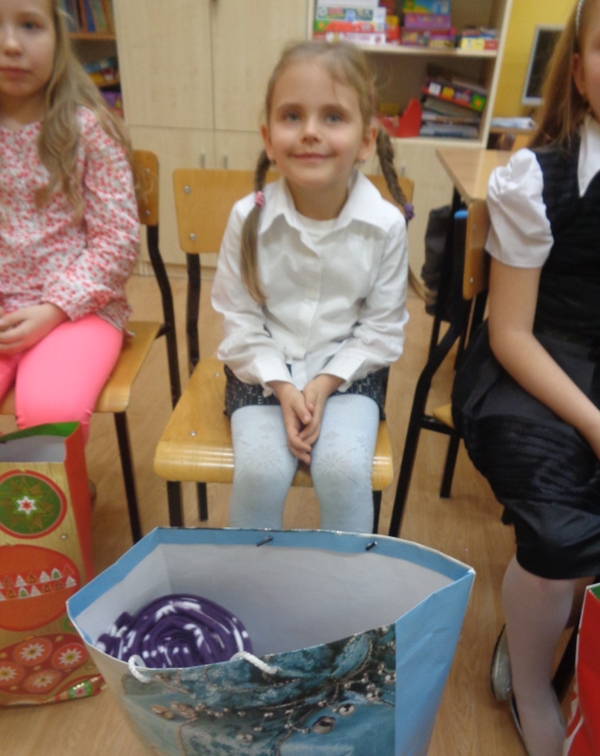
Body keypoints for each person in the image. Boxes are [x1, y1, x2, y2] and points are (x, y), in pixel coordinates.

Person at [452, 1, 600, 754]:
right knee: (559, 529)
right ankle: (536, 683)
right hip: (537, 366)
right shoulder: (536, 179)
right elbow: (510, 334)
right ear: (578, 71)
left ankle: (564, 634)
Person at [211, 40, 411, 533]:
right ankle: (252, 579)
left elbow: (381, 330)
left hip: (347, 372)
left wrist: (323, 383)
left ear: (366, 140)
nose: (310, 132)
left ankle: (342, 582)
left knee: (343, 473)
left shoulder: (386, 225)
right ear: (268, 137)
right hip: (262, 371)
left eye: (333, 117)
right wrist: (282, 385)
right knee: (261, 474)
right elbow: (240, 322)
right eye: (292, 116)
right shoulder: (247, 218)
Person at [0, 0, 139, 444]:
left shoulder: (90, 129)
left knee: (51, 412)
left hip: (79, 308)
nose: (10, 44)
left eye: (29, 25)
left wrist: (54, 309)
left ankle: (48, 490)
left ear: (58, 37)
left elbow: (117, 241)